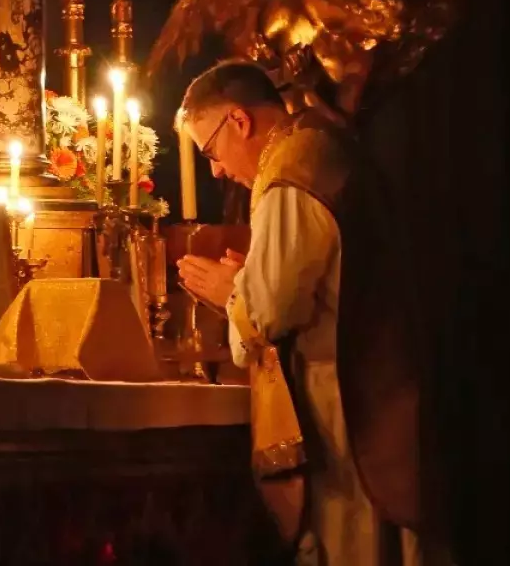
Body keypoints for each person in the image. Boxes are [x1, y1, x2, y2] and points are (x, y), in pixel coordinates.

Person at [175, 61, 436, 565]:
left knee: (355, 547)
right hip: (378, 385)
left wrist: (232, 292)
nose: (216, 170)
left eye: (210, 151)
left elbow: (271, 314)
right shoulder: (317, 145)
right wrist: (251, 280)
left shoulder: (292, 174)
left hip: (350, 406)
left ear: (239, 121)